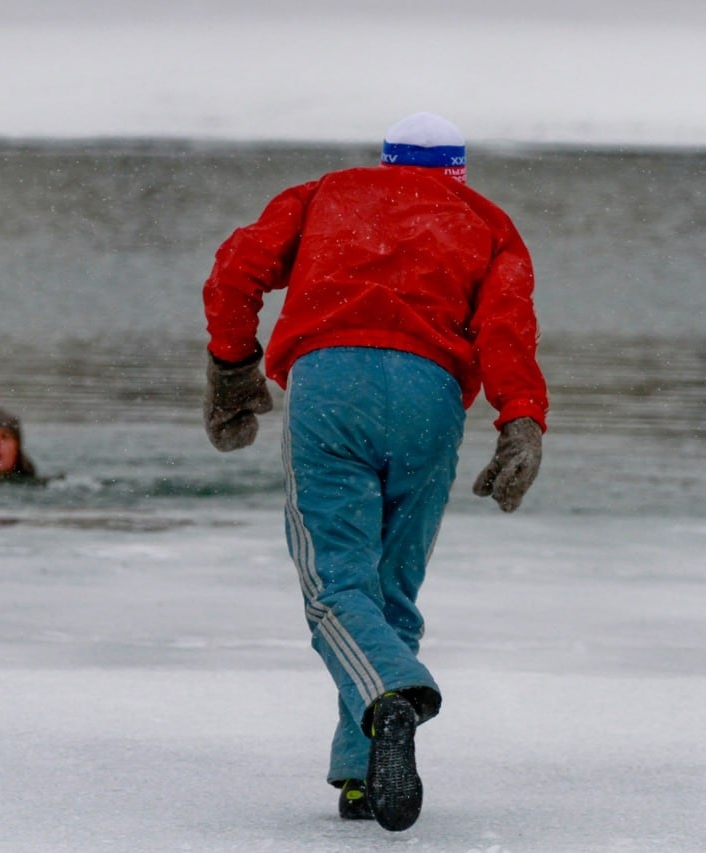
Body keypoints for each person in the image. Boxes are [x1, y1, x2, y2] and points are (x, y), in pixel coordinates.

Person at [201, 112, 547, 831]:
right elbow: (507, 327)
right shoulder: (487, 223)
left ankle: (391, 693)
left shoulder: (326, 193)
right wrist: (521, 419)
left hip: (333, 383)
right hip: (432, 395)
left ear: (387, 160)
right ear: (457, 168)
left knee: (337, 585)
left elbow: (236, 268)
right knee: (390, 588)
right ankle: (362, 775)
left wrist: (233, 363)